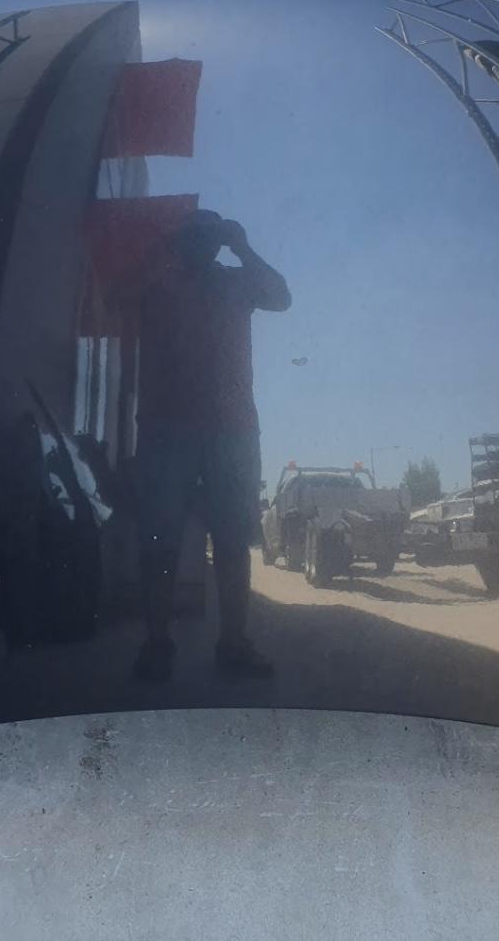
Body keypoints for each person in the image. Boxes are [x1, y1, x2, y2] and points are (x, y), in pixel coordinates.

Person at [132, 209, 291, 682]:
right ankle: (157, 642)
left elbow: (281, 298)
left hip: (229, 428)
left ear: (219, 242)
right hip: (170, 426)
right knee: (160, 537)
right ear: (180, 242)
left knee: (231, 539)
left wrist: (243, 247)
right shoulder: (158, 281)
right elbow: (117, 296)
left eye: (209, 236)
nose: (200, 244)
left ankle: (232, 642)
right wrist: (160, 252)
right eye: (193, 236)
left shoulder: (236, 281)